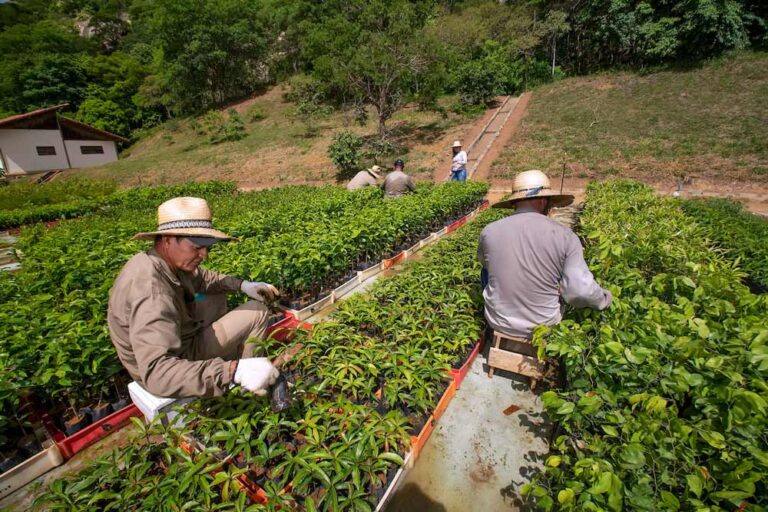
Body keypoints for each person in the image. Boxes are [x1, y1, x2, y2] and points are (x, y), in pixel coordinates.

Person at [108, 196, 281, 399]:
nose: (204, 255)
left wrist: (243, 285)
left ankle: (232, 362)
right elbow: (158, 374)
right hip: (171, 367)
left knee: (212, 296)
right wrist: (232, 371)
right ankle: (246, 386)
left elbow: (205, 278)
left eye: (207, 247)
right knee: (258, 311)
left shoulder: (161, 261)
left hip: (180, 339)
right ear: (168, 240)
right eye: (197, 247)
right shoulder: (152, 292)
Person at [478, 170, 612, 339]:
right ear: (543, 201)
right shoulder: (565, 236)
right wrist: (604, 299)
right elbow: (580, 291)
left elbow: (485, 263)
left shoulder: (489, 231)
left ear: (514, 203)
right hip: (542, 326)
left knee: (487, 270)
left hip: (498, 322)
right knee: (564, 278)